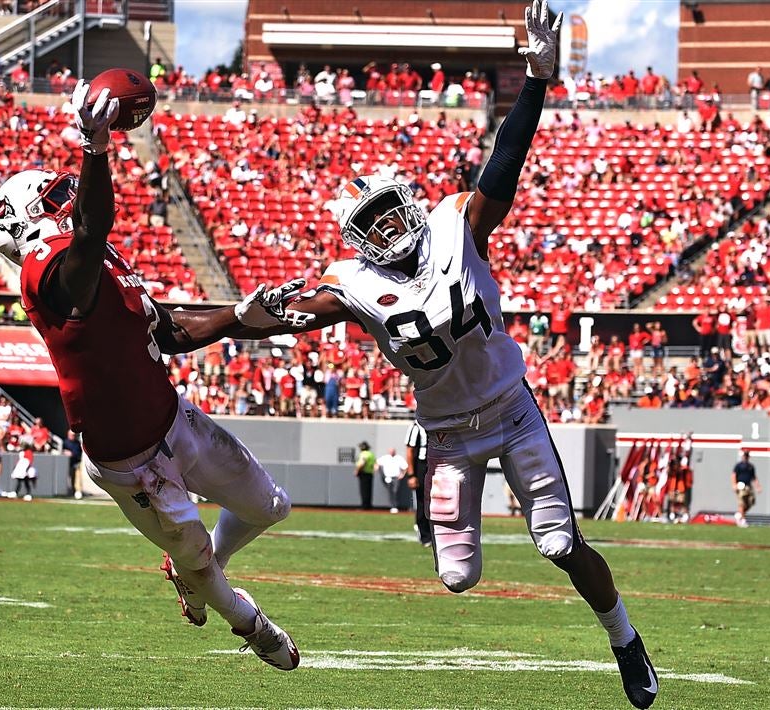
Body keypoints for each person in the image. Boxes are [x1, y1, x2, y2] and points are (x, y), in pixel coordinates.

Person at [216, 5, 657, 705]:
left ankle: (625, 639)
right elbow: (278, 315)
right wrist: (220, 320)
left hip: (512, 410)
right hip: (448, 435)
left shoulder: (460, 224)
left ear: (414, 204)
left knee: (560, 545)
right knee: (457, 576)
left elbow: (504, 164)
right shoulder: (351, 285)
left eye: (391, 209)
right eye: (371, 223)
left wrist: (536, 80)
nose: (387, 226)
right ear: (355, 240)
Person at [0, 78, 307, 670]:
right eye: (52, 195)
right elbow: (88, 230)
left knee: (271, 506)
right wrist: (94, 148)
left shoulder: (102, 261)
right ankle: (252, 625)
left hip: (173, 419)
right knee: (199, 559)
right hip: (129, 461)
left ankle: (191, 575)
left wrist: (240, 317)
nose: (67, 197)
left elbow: (168, 331)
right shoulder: (46, 273)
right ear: (25, 219)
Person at [406, 420, 432, 546]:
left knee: (435, 500)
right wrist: (411, 475)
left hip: (435, 465)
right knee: (422, 500)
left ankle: (434, 533)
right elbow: (410, 451)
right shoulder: (416, 427)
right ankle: (425, 535)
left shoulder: (438, 422)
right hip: (422, 465)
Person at [732, 450, 760, 528]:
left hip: (748, 487)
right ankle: (743, 520)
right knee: (742, 503)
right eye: (745, 455)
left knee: (751, 502)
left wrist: (758, 486)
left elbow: (754, 477)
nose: (746, 457)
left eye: (747, 456)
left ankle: (739, 515)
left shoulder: (751, 466)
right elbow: (733, 475)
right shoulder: (739, 466)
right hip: (741, 486)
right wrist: (734, 485)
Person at [376, 446, 408, 514]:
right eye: (390, 451)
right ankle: (392, 506)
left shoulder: (399, 458)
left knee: (395, 491)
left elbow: (405, 467)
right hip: (387, 477)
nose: (391, 452)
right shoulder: (385, 458)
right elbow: (377, 463)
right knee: (390, 491)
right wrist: (377, 469)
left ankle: (395, 506)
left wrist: (402, 474)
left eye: (393, 451)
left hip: (396, 478)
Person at [354, 441, 376, 510]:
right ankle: (368, 506)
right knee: (369, 491)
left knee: (364, 491)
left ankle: (365, 506)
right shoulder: (371, 454)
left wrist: (357, 471)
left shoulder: (364, 454)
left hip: (364, 473)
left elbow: (362, 463)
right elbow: (375, 465)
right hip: (370, 473)